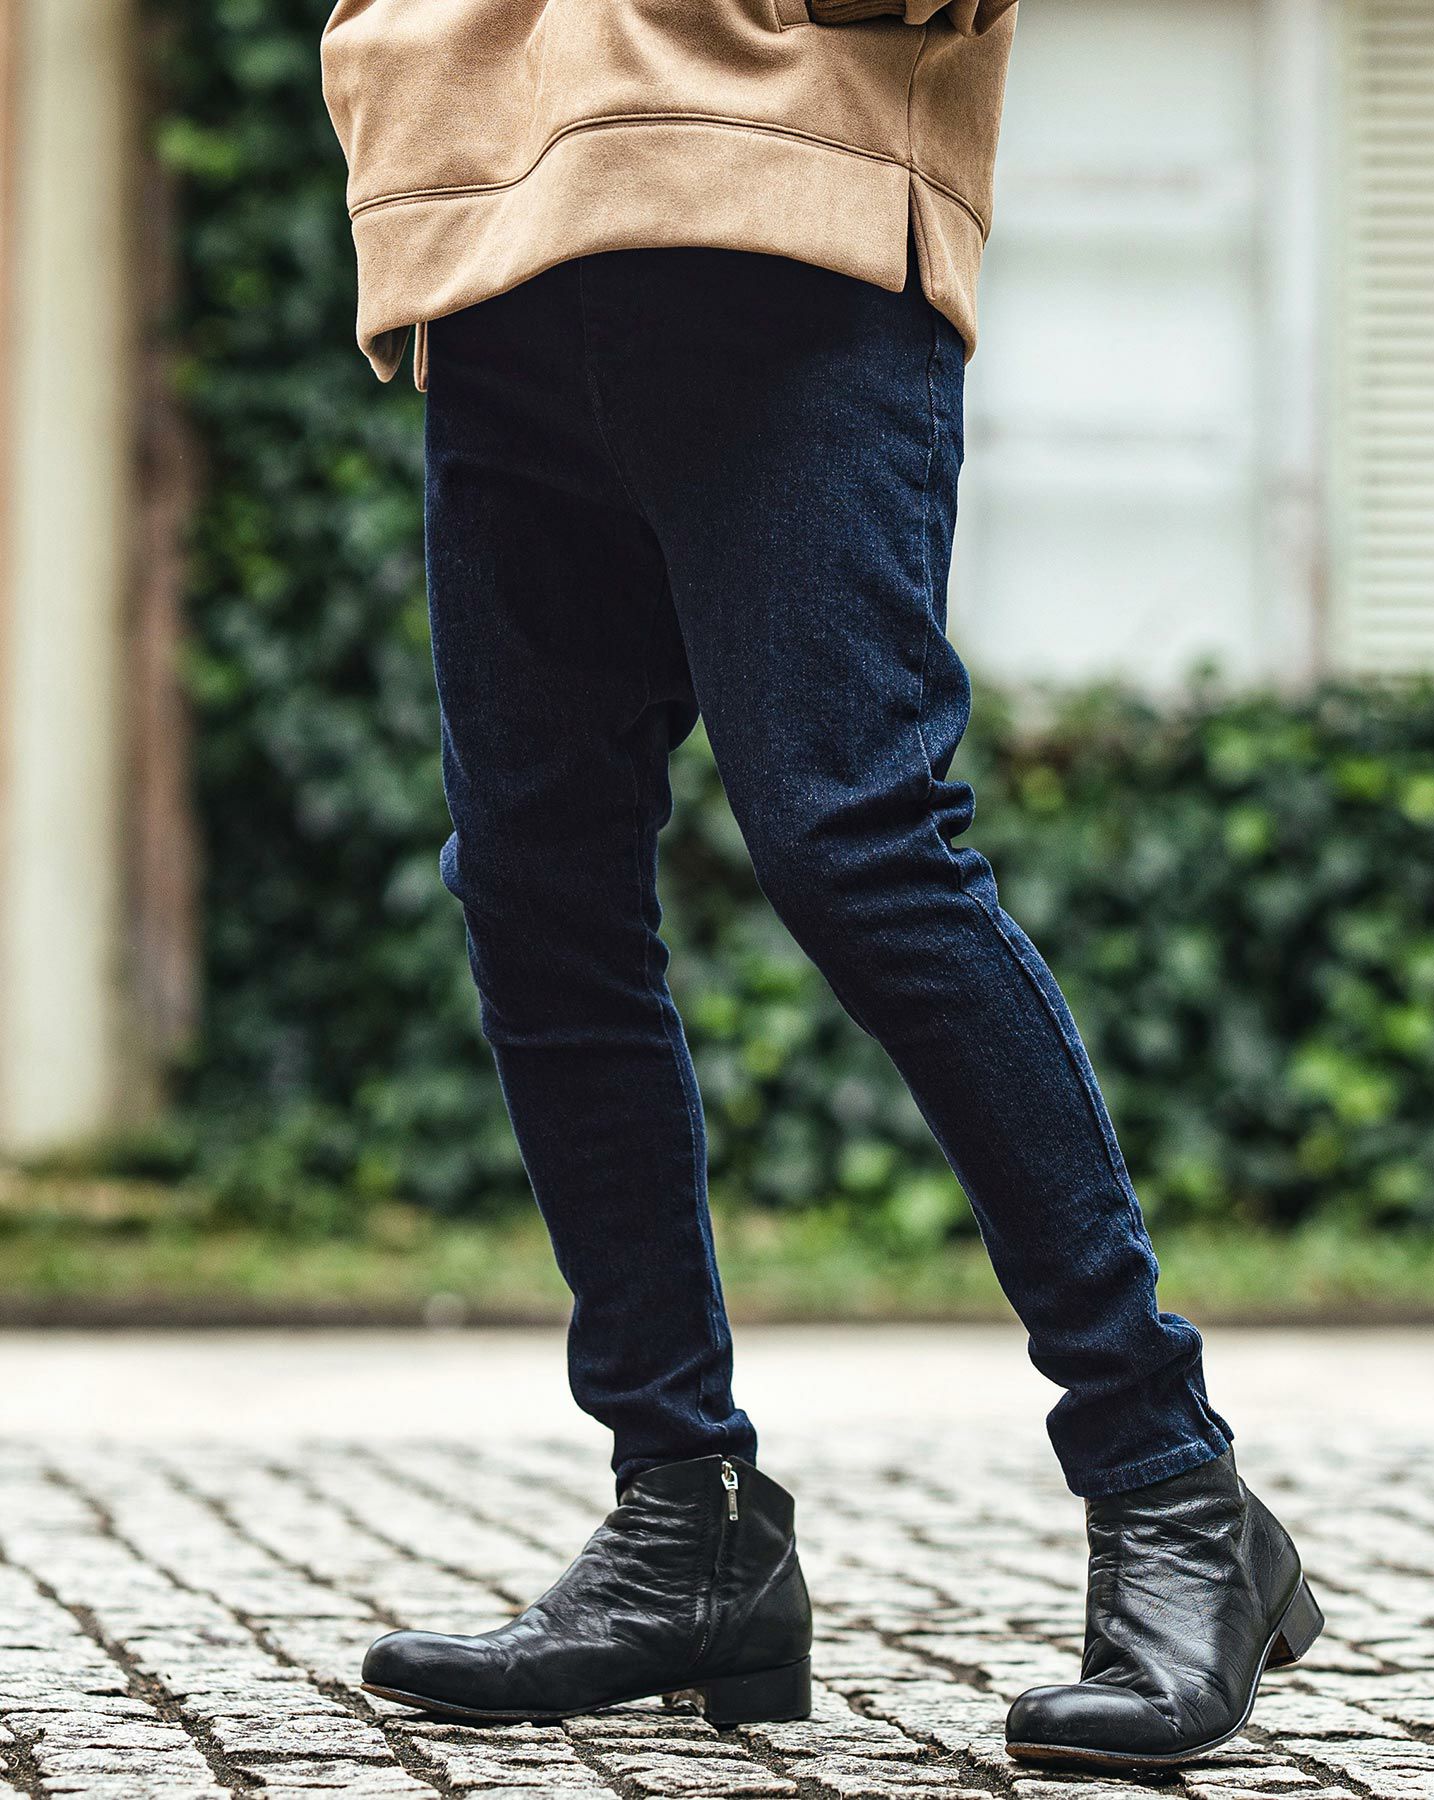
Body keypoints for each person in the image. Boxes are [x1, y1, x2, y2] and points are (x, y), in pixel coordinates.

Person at [320, 0, 1322, 1772]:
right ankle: (684, 1515)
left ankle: (1171, 1487)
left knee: (858, 844)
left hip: (780, 207)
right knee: (535, 888)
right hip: (488, 235)